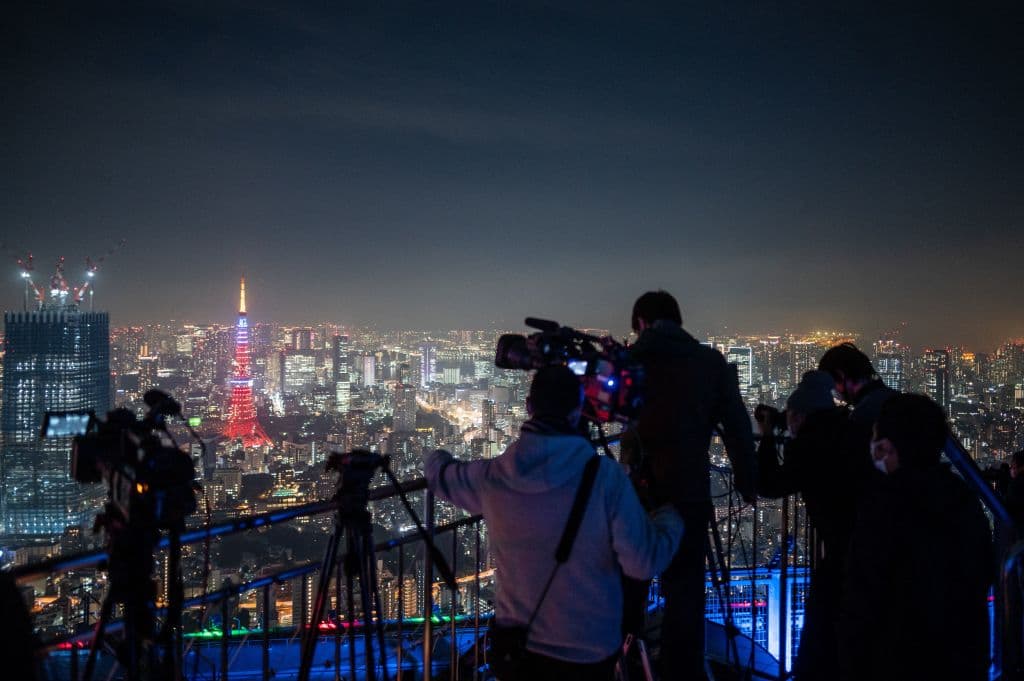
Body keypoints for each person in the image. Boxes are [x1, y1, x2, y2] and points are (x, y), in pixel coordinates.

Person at [424, 365, 683, 680]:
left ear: (529, 408)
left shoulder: (493, 476)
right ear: (577, 412)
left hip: (519, 652)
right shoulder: (605, 478)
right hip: (589, 652)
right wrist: (671, 518)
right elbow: (643, 562)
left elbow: (440, 475)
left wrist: (435, 456)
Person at [621, 290, 756, 680]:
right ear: (678, 321)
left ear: (641, 322)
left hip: (637, 495)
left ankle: (626, 662)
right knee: (686, 592)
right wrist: (747, 481)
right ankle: (683, 670)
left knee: (631, 583)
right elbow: (738, 428)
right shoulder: (708, 362)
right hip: (689, 491)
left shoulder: (632, 362)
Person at [840, 394, 992, 681]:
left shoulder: (883, 505)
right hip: (961, 657)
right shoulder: (962, 498)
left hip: (896, 659)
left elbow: (864, 596)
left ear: (886, 446)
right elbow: (981, 573)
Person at [755, 370, 868, 680]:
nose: (787, 423)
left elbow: (769, 484)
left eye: (791, 416)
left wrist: (767, 437)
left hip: (840, 551)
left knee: (823, 626)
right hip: (864, 545)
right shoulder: (844, 430)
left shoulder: (811, 445)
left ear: (801, 415)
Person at [817, 342, 897, 450]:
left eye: (830, 385)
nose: (833, 393)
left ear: (840, 376)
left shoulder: (862, 415)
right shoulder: (896, 399)